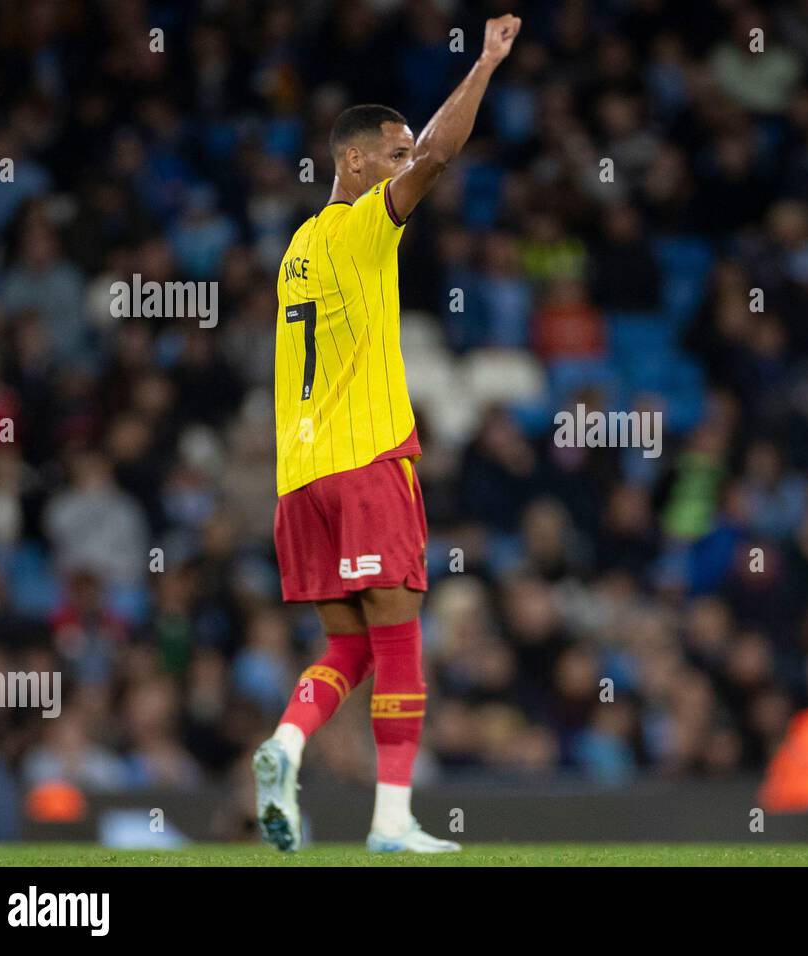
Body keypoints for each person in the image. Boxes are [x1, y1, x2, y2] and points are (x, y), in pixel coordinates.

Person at [252, 14, 522, 854]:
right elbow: (444, 151)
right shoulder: (365, 224)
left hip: (299, 479)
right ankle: (393, 819)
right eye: (392, 154)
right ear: (355, 161)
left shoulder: (298, 246)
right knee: (402, 640)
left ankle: (285, 746)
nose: (407, 166)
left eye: (403, 155)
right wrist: (484, 65)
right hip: (367, 463)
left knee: (349, 647)